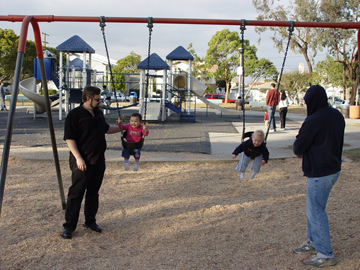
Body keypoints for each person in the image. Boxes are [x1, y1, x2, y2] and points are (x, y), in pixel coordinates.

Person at [292, 85, 345, 268]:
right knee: (313, 209)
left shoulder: (313, 120)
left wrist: (301, 148)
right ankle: (314, 241)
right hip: (333, 168)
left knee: (316, 212)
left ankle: (325, 253)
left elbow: (298, 147)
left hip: (319, 171)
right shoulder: (337, 115)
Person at [61, 85, 122, 240]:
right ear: (88, 98)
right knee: (76, 194)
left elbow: (106, 129)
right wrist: (78, 158)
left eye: (99, 99)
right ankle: (69, 227)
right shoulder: (75, 115)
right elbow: (69, 138)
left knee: (93, 193)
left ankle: (90, 221)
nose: (99, 101)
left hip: (98, 160)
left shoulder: (98, 113)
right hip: (82, 161)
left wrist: (122, 127)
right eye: (97, 99)